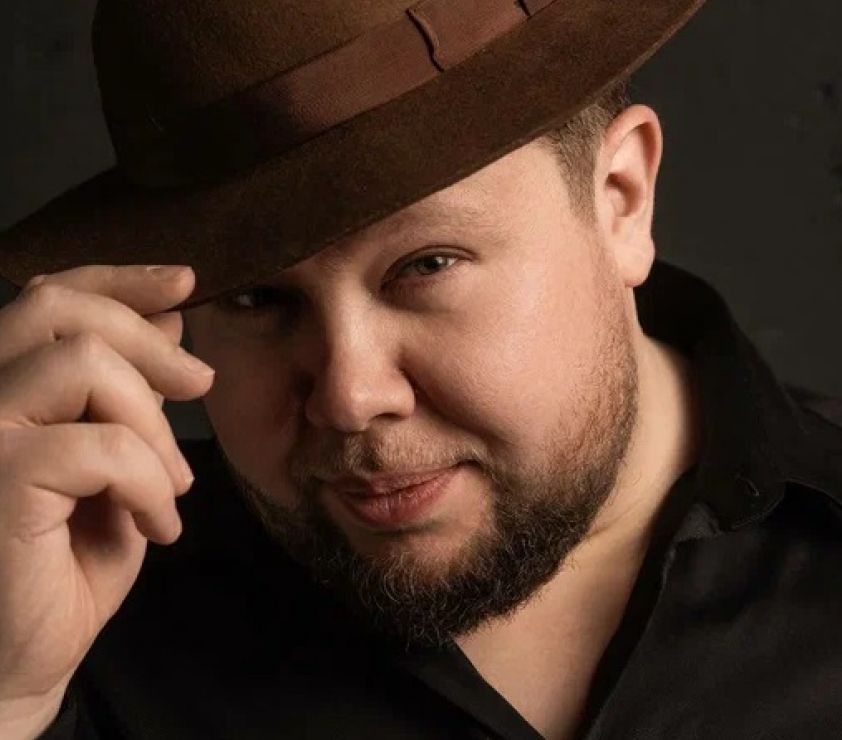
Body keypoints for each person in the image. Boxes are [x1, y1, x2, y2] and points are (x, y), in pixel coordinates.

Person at [0, 0, 841, 738]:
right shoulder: (74, 626)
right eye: (257, 299)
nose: (349, 397)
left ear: (621, 198)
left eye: (427, 265)